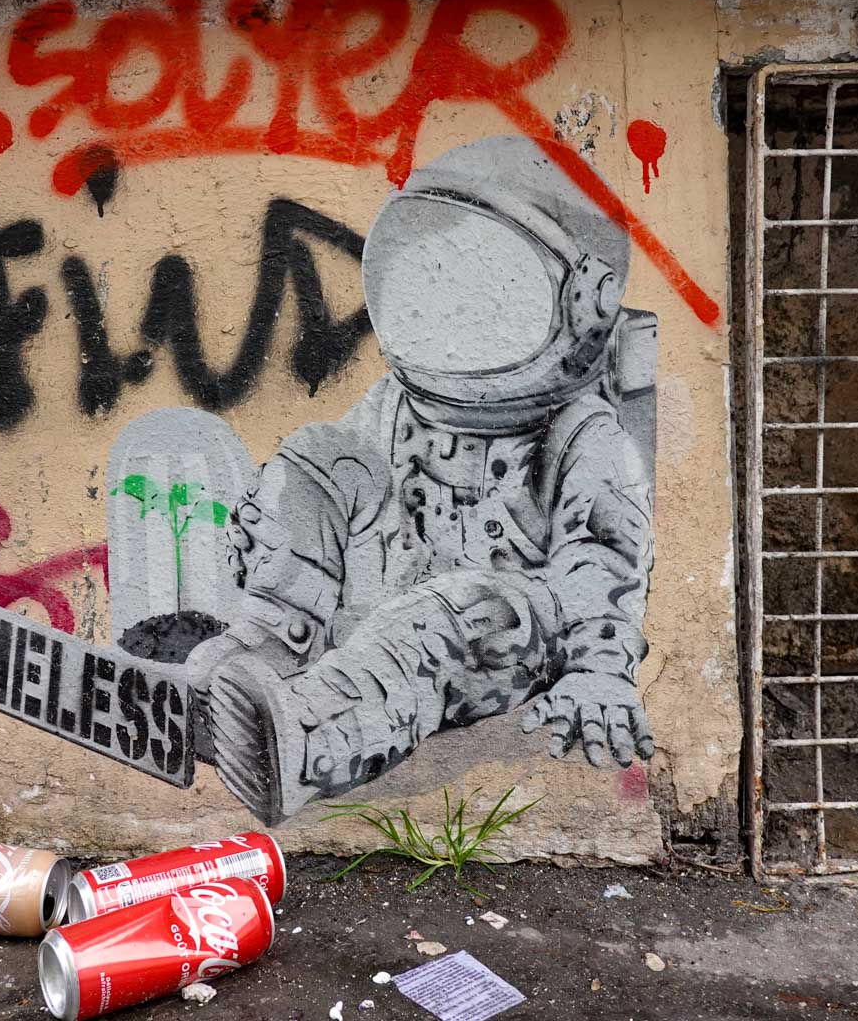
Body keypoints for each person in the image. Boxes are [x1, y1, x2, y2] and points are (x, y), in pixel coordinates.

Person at [185, 135, 656, 825]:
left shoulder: (581, 434)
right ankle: (264, 646)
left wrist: (599, 671)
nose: (458, 318)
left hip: (499, 630)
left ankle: (308, 740)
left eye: (497, 298)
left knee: (461, 606)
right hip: (392, 602)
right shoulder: (395, 403)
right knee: (320, 454)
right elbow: (329, 489)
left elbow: (601, 559)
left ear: (582, 305)